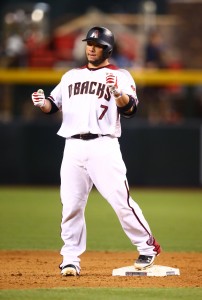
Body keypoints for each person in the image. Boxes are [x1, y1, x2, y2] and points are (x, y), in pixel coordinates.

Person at [31, 26, 161, 276]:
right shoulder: (70, 76)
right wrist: (42, 103)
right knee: (70, 205)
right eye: (89, 43)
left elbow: (131, 109)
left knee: (121, 202)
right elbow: (53, 105)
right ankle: (70, 258)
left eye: (97, 44)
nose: (91, 47)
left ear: (108, 49)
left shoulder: (120, 75)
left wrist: (118, 93)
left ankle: (147, 247)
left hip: (104, 145)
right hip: (72, 146)